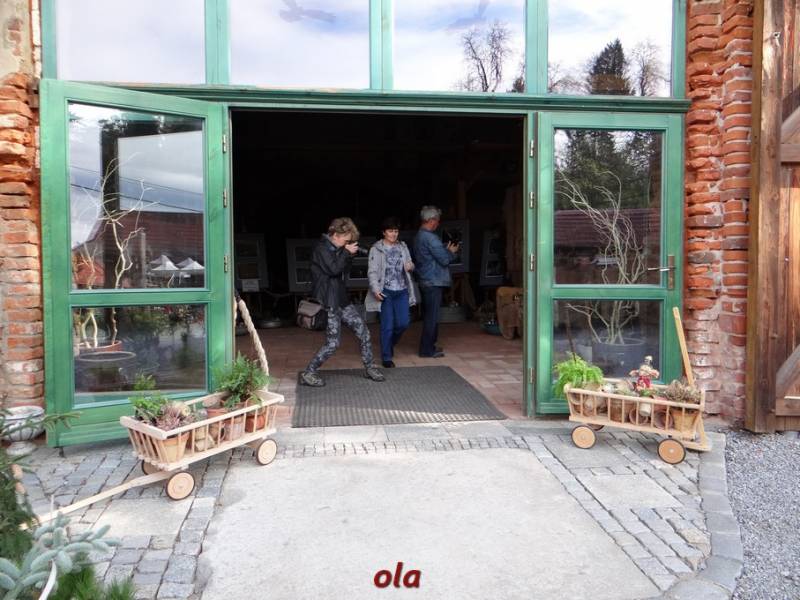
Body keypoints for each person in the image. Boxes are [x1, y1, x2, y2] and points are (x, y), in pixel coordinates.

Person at [300, 217, 386, 387]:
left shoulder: (338, 249)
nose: (347, 243)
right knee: (333, 343)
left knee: (364, 332)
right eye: (346, 240)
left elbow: (342, 271)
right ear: (336, 235)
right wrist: (346, 253)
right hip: (329, 302)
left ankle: (370, 367)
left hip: (342, 300)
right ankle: (309, 372)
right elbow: (333, 269)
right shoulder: (321, 248)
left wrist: (349, 256)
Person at [366, 217, 417, 368]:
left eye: (396, 231)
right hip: (385, 292)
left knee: (403, 323)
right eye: (390, 231)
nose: (394, 234)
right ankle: (386, 356)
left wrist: (411, 266)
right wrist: (376, 289)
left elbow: (410, 264)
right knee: (387, 326)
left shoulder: (403, 246)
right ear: (384, 232)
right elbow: (372, 272)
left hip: (402, 290)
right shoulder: (376, 249)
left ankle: (388, 344)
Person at [413, 206, 459, 358]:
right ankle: (427, 350)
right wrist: (451, 252)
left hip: (425, 279)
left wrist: (443, 250)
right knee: (432, 317)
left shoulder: (419, 236)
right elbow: (444, 260)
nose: (438, 223)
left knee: (429, 315)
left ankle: (429, 346)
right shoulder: (431, 238)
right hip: (433, 281)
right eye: (437, 220)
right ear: (431, 220)